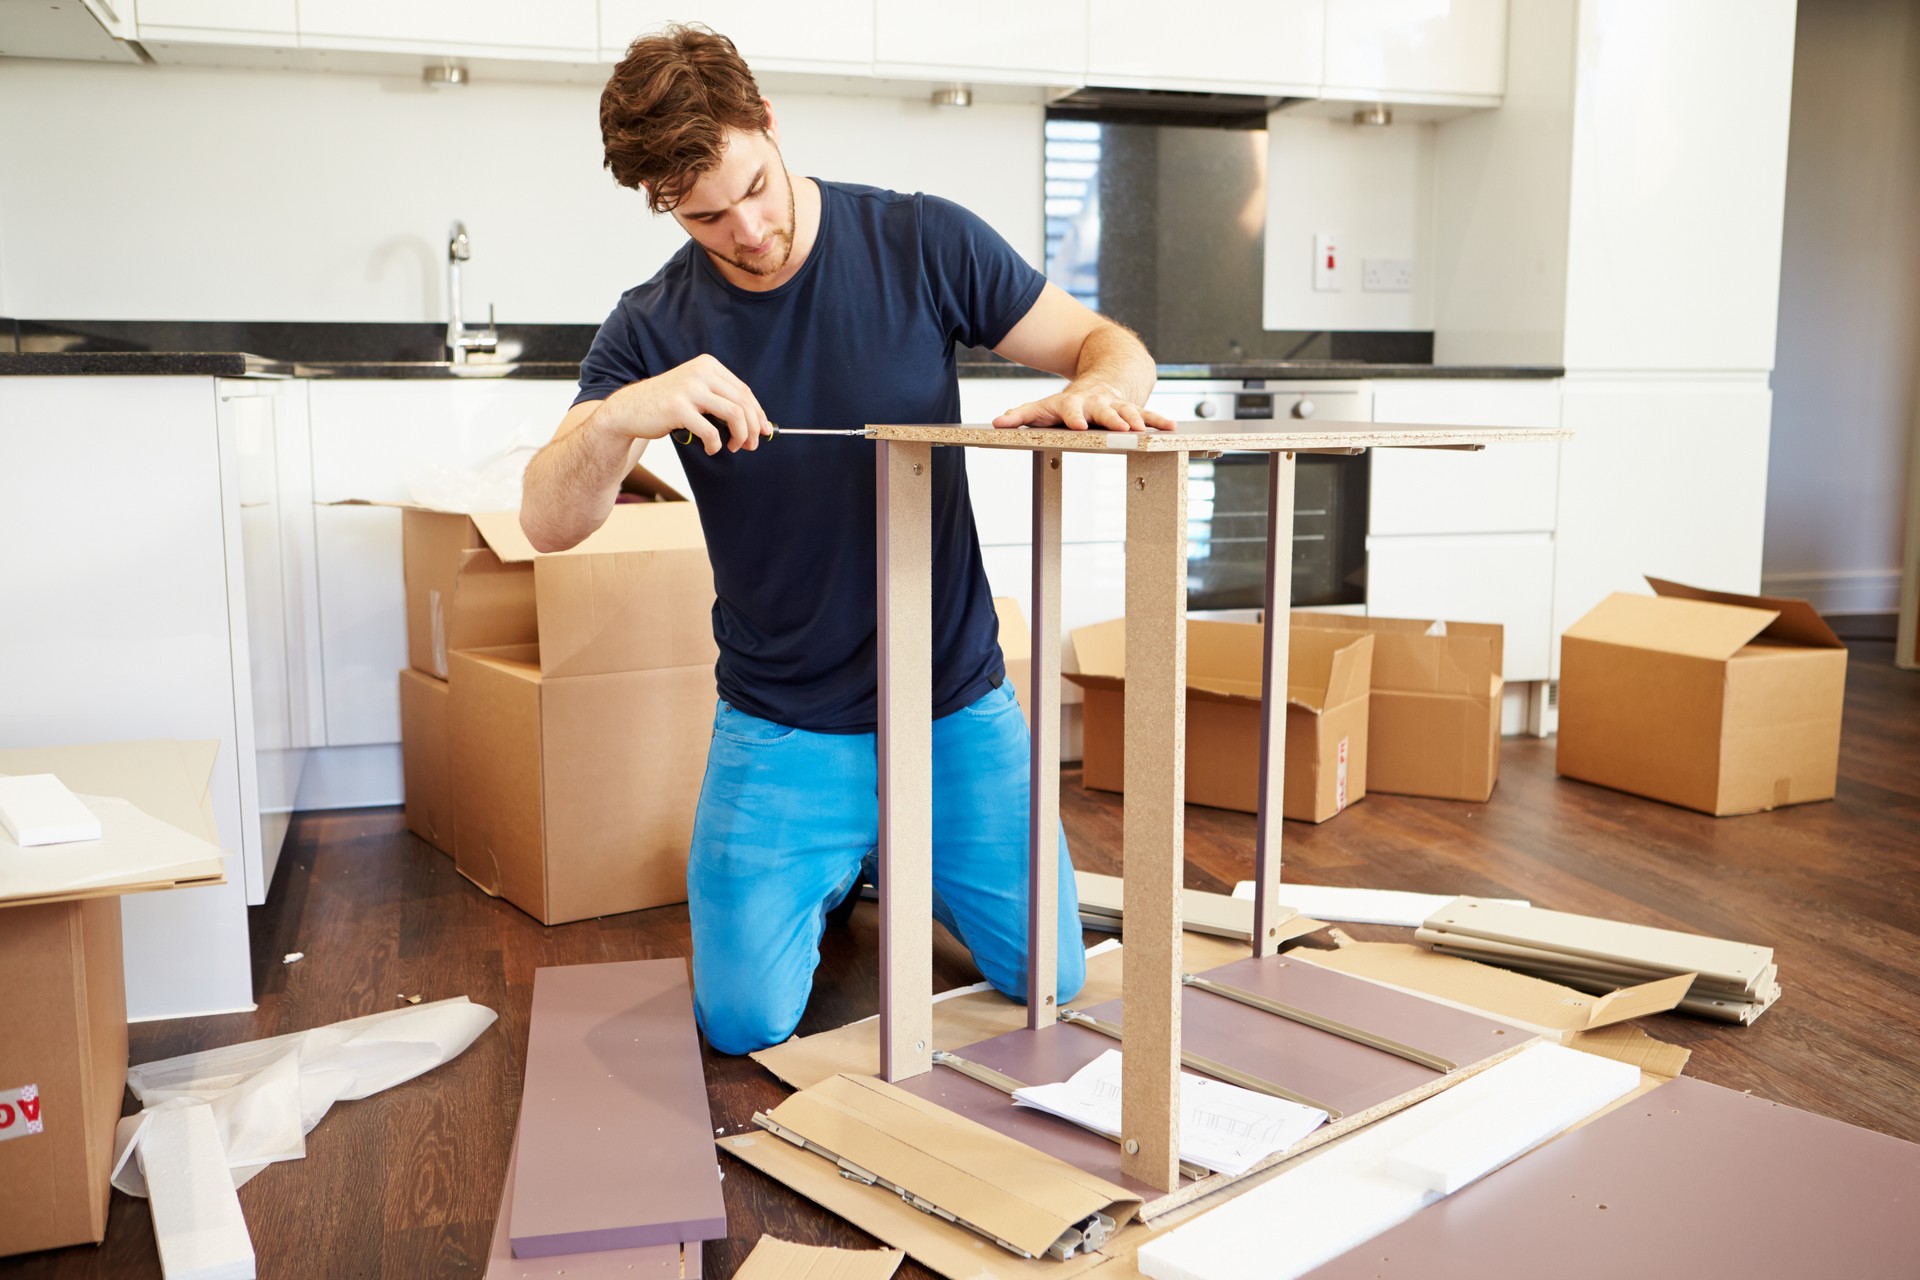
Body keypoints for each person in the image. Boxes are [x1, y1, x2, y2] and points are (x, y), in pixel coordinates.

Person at [519, 24, 1173, 1055]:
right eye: (705, 216)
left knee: (1051, 975)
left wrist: (1102, 388)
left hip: (953, 703)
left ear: (769, 123)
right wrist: (621, 414)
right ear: (662, 206)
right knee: (741, 1021)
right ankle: (849, 858)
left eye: (755, 187)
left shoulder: (921, 241)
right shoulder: (650, 324)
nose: (747, 230)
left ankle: (909, 856)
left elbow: (1110, 344)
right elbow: (547, 519)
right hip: (782, 724)